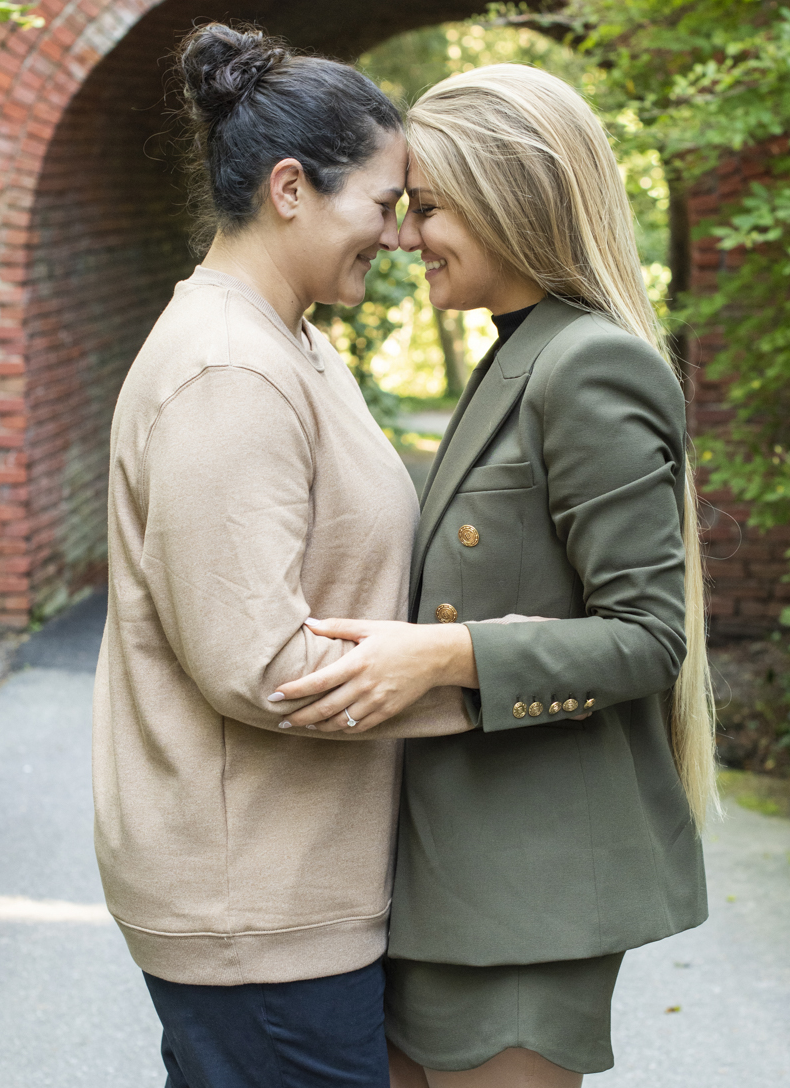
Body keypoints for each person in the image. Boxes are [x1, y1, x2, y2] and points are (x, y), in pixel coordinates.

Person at [276, 63, 717, 1087]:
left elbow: (650, 635)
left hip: (535, 892)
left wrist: (447, 654)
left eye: (425, 208)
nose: (399, 235)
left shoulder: (588, 365)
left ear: (507, 194)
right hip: (443, 876)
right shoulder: (513, 357)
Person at [92, 22, 473, 1088]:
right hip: (250, 909)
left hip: (290, 892)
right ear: (293, 188)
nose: (397, 238)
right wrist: (477, 675)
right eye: (383, 207)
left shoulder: (293, 345)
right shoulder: (227, 368)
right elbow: (259, 661)